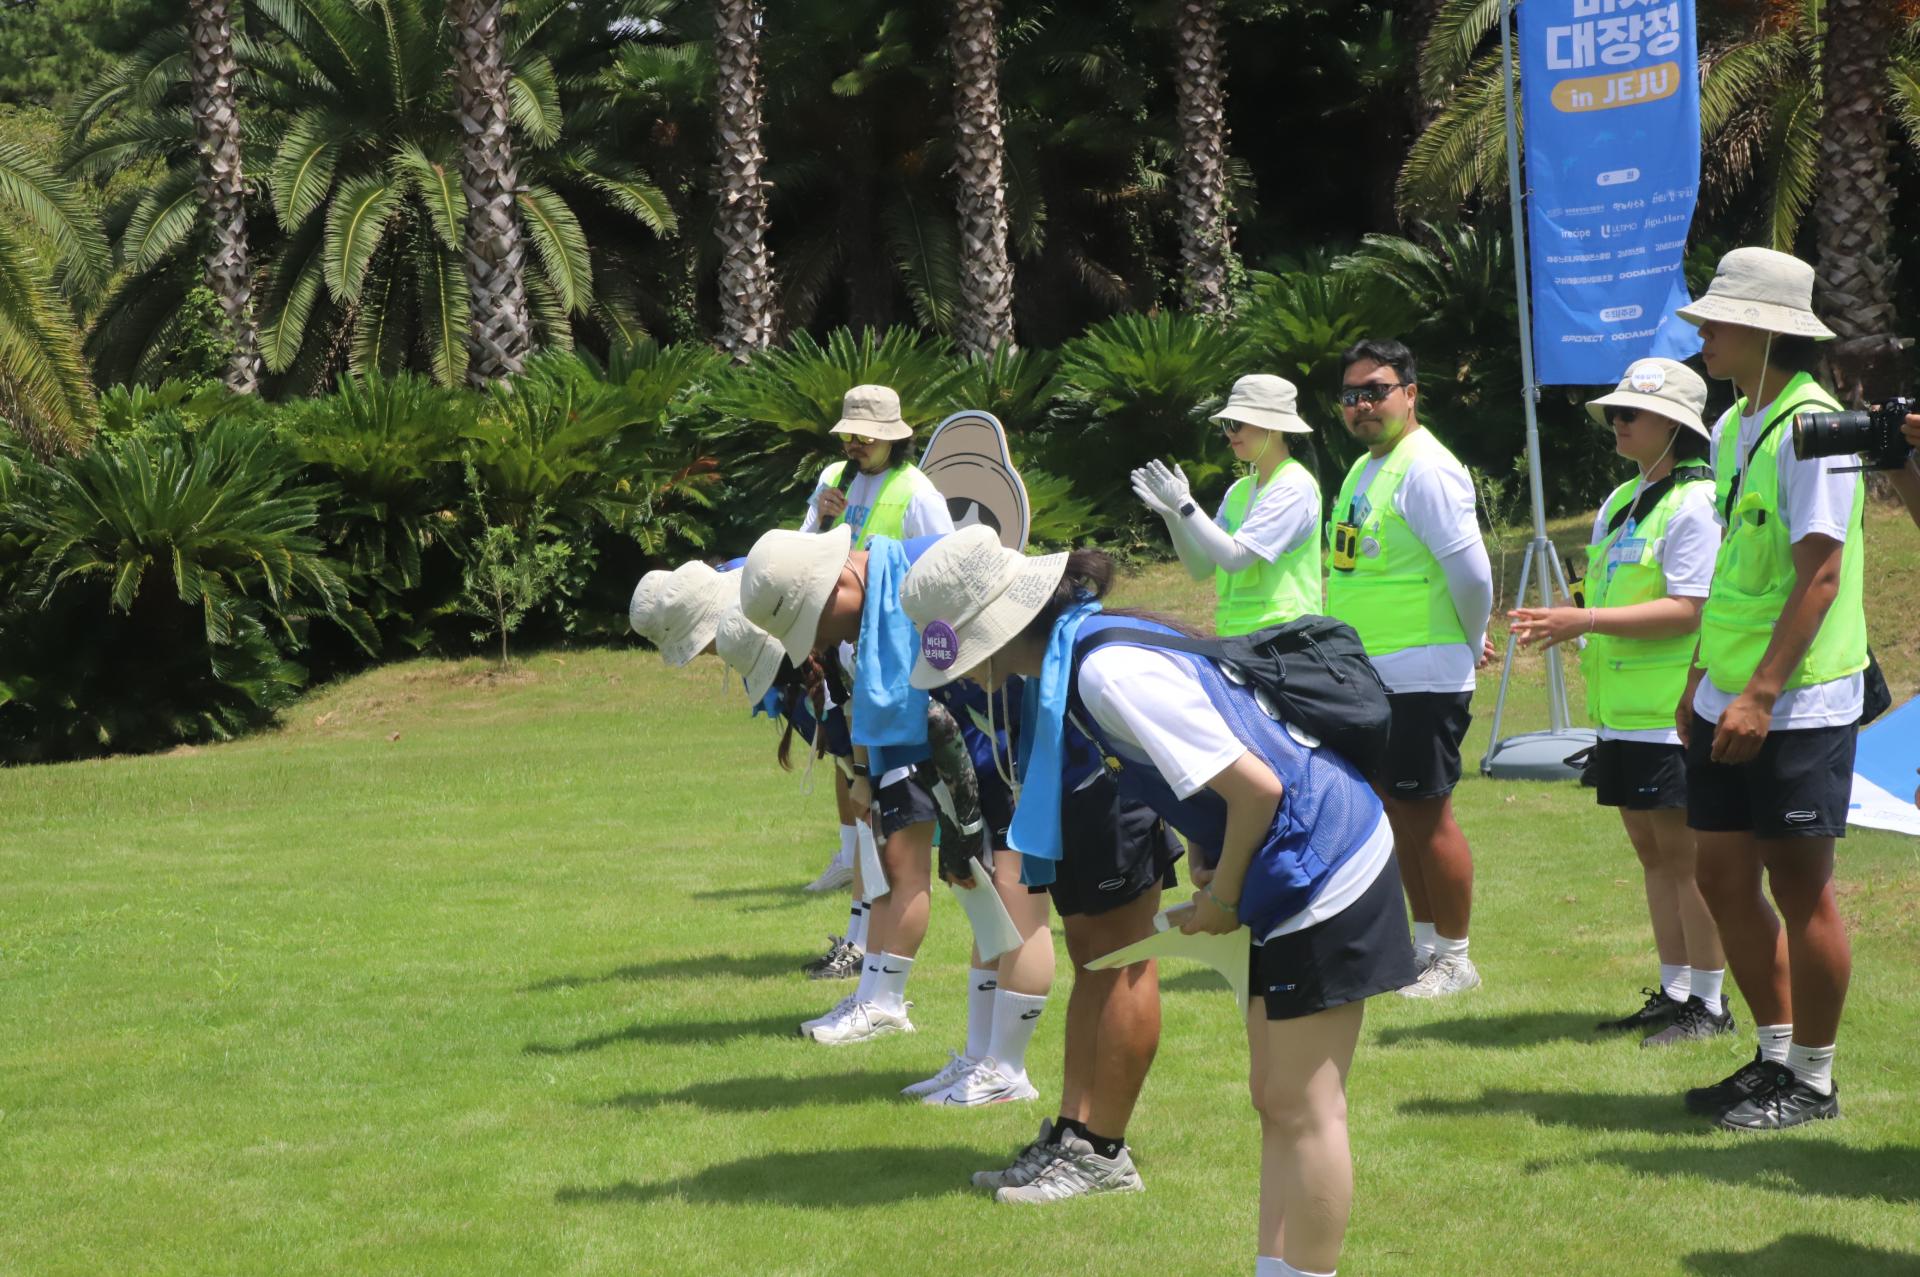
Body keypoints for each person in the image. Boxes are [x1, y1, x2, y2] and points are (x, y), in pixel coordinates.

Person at [902, 526, 1412, 1273]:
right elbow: (1217, 767)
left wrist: (1224, 898)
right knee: (1275, 1098)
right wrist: (1208, 853)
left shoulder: (1103, 673)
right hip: (1293, 857)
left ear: (995, 632)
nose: (959, 674)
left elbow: (1259, 788)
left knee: (1306, 1107)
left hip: (1325, 861)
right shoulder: (1081, 653)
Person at [739, 524, 1058, 1105]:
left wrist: (963, 829)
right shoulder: (881, 605)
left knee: (1017, 899)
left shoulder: (924, 576)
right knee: (987, 902)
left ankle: (1007, 1069)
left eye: (816, 623)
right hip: (984, 747)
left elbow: (948, 710)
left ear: (839, 584)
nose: (821, 641)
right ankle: (982, 1057)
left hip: (1024, 745)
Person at [1672, 247, 1868, 1131]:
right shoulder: (1731, 427)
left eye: (1717, 320)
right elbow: (1732, 566)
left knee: (1800, 885)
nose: (1703, 333)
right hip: (1730, 690)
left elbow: (1819, 575)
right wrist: (1701, 679)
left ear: (1765, 329)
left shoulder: (1813, 425)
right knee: (1719, 874)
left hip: (1800, 699)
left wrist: (1760, 693)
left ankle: (1814, 1081)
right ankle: (1776, 1053)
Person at [1508, 358, 1731, 1047]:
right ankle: (1674, 990)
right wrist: (1579, 618)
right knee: (1652, 853)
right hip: (1620, 713)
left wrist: (1585, 620)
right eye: (1615, 412)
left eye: (1630, 413)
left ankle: (1709, 1003)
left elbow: (1691, 609)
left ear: (1673, 425)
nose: (1616, 422)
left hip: (1670, 715)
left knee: (1686, 859)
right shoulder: (1622, 500)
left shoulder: (1697, 504)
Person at [1326, 339, 1493, 998]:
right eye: (1351, 395)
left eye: (1377, 390)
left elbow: (1472, 575)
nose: (1363, 404)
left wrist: (1470, 638)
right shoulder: (1364, 468)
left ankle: (1456, 958)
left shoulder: (1426, 469)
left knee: (1428, 816)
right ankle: (1424, 949)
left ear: (1411, 393)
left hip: (1421, 674)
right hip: (1373, 675)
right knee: (1398, 815)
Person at [797, 385, 955, 895]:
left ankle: (895, 863)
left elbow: (945, 564)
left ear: (894, 438)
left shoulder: (917, 491)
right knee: (844, 752)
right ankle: (852, 857)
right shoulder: (831, 478)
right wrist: (820, 518)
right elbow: (798, 558)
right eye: (849, 435)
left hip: (891, 647)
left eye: (866, 437)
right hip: (835, 642)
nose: (855, 445)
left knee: (888, 763)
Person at [1131, 374, 1323, 636]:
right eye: (1225, 424)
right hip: (1239, 641)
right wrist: (1173, 516)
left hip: (1285, 642)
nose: (1229, 432)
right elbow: (1201, 568)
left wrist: (1185, 503)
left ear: (1274, 427)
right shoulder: (1239, 490)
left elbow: (1235, 558)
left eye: (1237, 423)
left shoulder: (1294, 485)